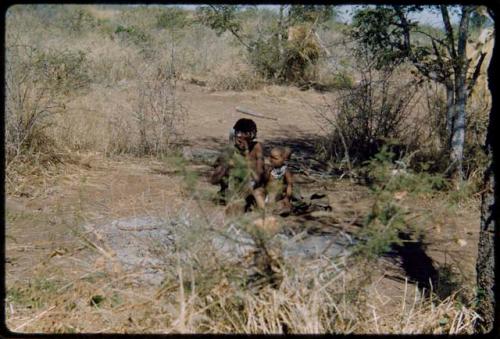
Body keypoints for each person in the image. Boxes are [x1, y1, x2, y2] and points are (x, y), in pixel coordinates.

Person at [210, 118, 266, 210]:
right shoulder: (229, 151)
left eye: (246, 138)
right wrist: (225, 165)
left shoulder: (256, 148)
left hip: (251, 188)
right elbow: (214, 180)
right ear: (235, 136)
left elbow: (259, 172)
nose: (242, 143)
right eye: (239, 138)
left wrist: (250, 186)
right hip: (233, 190)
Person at [264, 147, 293, 215]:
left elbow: (289, 184)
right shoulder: (270, 169)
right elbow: (266, 180)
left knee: (274, 198)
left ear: (284, 159)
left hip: (279, 192)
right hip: (269, 191)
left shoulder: (285, 170)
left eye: (275, 158)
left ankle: (282, 207)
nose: (272, 160)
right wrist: (267, 172)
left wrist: (287, 197)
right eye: (271, 157)